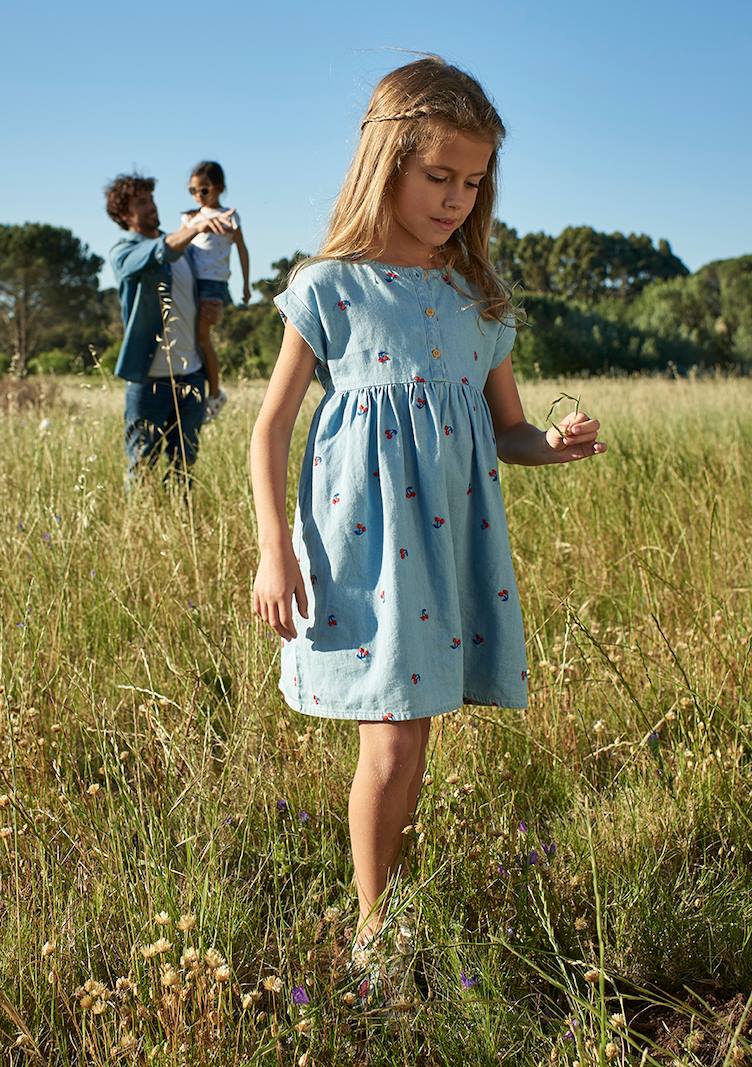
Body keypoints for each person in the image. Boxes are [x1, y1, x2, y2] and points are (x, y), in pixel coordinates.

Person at [249, 57, 607, 1000]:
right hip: (362, 552)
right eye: (437, 175)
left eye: (473, 181)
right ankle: (374, 941)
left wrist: (552, 444)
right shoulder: (331, 287)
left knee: (416, 740)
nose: (456, 198)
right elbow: (270, 427)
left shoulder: (478, 298)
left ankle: (388, 908)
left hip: (447, 546)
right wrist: (271, 548)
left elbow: (508, 430)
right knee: (394, 743)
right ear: (385, 164)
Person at [104, 173, 233, 485]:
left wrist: (214, 309)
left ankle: (180, 531)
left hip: (191, 377)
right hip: (147, 381)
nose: (151, 207)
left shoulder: (186, 251)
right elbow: (157, 251)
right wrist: (191, 229)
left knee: (183, 471)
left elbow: (205, 289)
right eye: (141, 203)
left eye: (151, 199)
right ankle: (140, 532)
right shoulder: (124, 252)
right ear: (124, 215)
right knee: (141, 473)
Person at [181, 160, 251, 420]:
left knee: (202, 336)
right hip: (189, 281)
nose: (198, 196)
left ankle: (215, 393)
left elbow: (242, 250)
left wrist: (245, 284)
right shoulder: (190, 218)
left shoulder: (229, 216)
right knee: (189, 337)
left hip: (213, 283)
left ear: (219, 188)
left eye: (204, 190)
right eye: (193, 191)